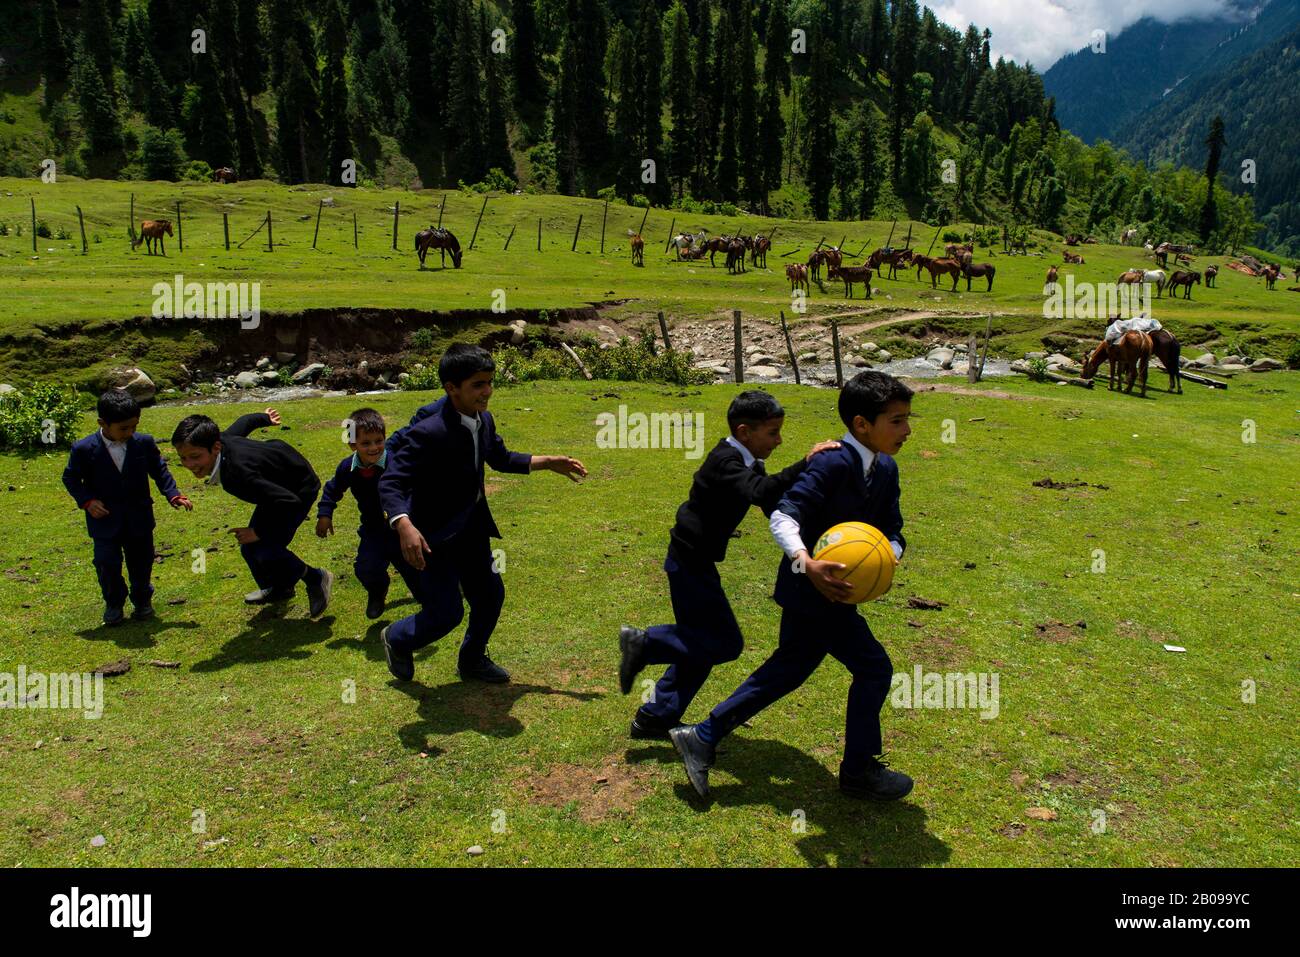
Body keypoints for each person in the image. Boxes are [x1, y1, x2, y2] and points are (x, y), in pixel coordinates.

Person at [670, 372, 915, 801]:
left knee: (789, 669)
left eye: (907, 420)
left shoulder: (886, 469)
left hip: (837, 595)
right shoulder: (832, 463)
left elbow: (892, 530)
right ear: (862, 424)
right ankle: (858, 772)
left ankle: (702, 735)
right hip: (811, 591)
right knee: (874, 668)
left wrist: (886, 557)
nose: (907, 430)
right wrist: (807, 563)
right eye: (896, 421)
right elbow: (784, 515)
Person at [617, 390, 839, 739]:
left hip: (694, 560)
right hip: (689, 562)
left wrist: (803, 536)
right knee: (724, 643)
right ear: (744, 431)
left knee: (699, 644)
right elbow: (762, 492)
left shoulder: (748, 460)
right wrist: (807, 462)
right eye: (773, 432)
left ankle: (656, 717)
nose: (779, 440)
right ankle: (645, 644)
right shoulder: (726, 461)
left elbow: (773, 503)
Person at [378, 344, 587, 684]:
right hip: (432, 538)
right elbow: (392, 482)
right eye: (478, 384)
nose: (487, 391)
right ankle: (396, 638)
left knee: (490, 595)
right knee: (446, 613)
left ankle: (472, 660)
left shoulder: (483, 420)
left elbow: (501, 457)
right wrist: (403, 524)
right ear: (451, 388)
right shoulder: (428, 431)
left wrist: (547, 462)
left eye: (490, 382)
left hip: (472, 529)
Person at [171, 408, 332, 617]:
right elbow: (244, 422)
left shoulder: (238, 474)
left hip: (298, 489)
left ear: (216, 447)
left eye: (195, 457)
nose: (189, 464)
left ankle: (316, 578)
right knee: (249, 548)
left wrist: (259, 531)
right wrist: (265, 418)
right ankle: (278, 588)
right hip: (274, 487)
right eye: (183, 458)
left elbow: (289, 502)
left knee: (267, 549)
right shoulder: (223, 441)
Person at [61, 389, 193, 625]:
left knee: (141, 562)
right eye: (124, 428)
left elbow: (159, 470)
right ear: (103, 423)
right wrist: (88, 501)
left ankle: (142, 600)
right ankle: (113, 603)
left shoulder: (143, 443)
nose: (130, 432)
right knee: (106, 562)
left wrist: (173, 494)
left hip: (138, 517)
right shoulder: (83, 449)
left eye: (134, 426)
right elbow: (70, 479)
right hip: (104, 520)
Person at [316, 408, 422, 619]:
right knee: (365, 568)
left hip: (402, 530)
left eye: (379, 441)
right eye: (366, 443)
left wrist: (409, 519)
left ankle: (433, 598)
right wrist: (325, 514)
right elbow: (332, 489)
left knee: (417, 571)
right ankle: (377, 591)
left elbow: (414, 489)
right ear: (353, 445)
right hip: (373, 530)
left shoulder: (396, 463)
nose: (374, 448)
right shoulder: (348, 468)